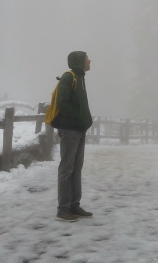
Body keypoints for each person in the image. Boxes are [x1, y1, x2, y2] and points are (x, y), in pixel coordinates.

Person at [51, 50, 93, 222]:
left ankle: (74, 205)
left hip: (79, 129)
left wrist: (83, 121)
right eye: (86, 58)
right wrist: (78, 117)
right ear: (79, 61)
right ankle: (63, 210)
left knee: (76, 168)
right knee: (67, 168)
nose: (90, 61)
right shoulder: (69, 77)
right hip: (70, 129)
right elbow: (62, 102)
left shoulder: (80, 78)